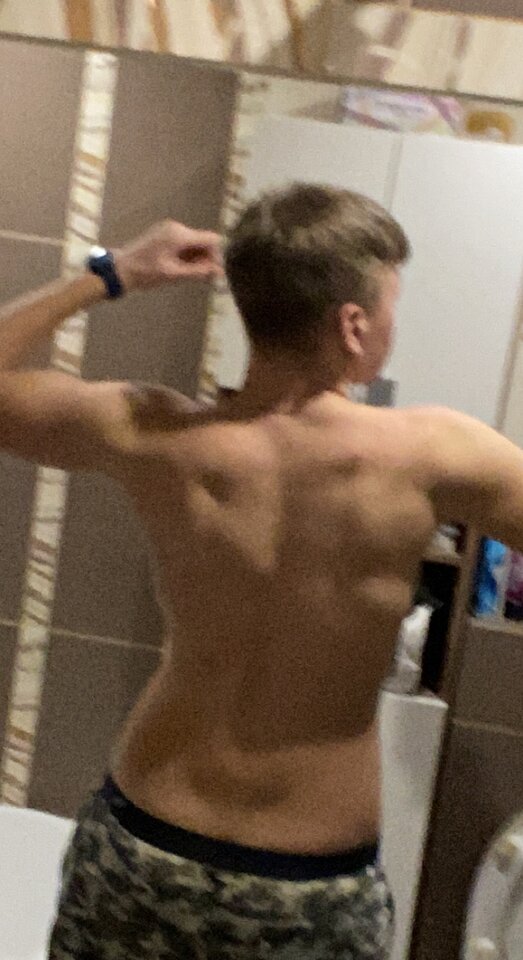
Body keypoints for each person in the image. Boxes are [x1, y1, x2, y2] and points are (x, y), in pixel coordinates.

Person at [1, 184, 523, 960]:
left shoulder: (158, 434)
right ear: (352, 325)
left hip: (144, 853)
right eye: (390, 305)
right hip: (305, 885)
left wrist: (112, 273)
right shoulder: (432, 454)